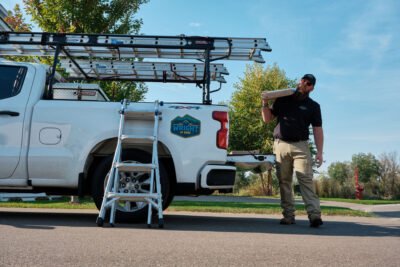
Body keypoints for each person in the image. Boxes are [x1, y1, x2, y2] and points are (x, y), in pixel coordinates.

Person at [261, 74, 324, 228]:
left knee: (305, 179)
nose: (302, 84)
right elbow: (267, 119)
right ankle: (288, 216)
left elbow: (317, 130)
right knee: (284, 181)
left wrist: (320, 152)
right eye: (302, 81)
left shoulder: (313, 106)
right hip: (281, 145)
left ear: (311, 88)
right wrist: (265, 103)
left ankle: (314, 216)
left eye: (307, 83)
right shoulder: (283, 99)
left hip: (301, 146)